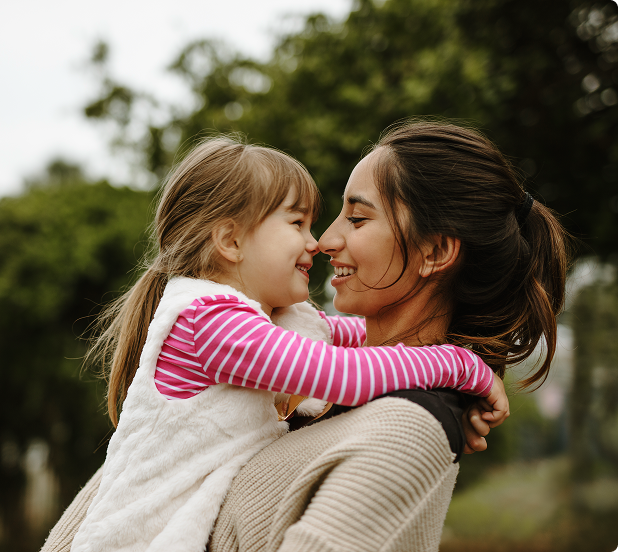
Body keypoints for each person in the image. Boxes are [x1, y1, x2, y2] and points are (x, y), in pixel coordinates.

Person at [61, 136, 506, 552]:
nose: (319, 242)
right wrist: (459, 366)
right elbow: (341, 373)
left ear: (436, 252)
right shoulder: (214, 323)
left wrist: (449, 394)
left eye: (356, 217)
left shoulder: (262, 323)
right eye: (298, 223)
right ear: (231, 241)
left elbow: (343, 339)